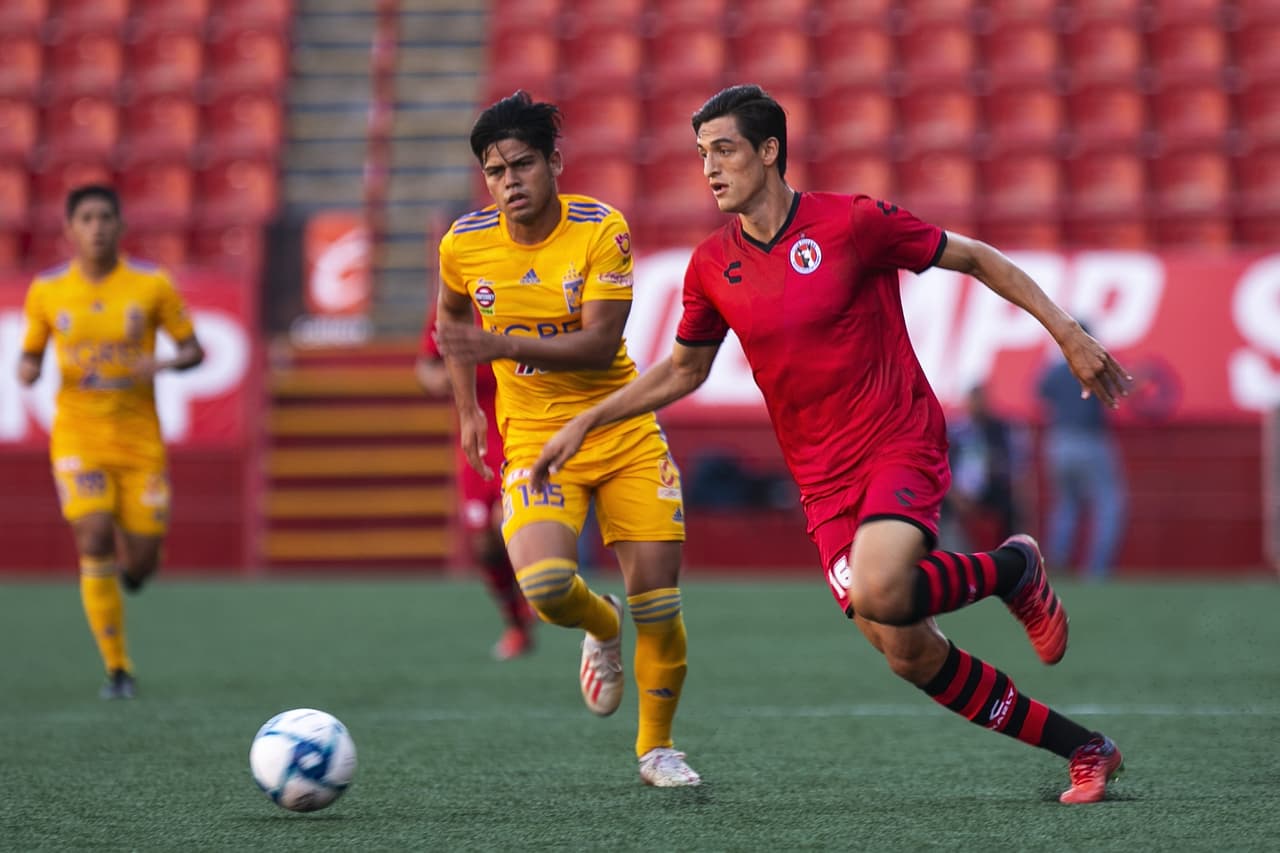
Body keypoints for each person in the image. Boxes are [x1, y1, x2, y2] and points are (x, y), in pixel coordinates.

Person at [531, 85, 1133, 804]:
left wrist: (1068, 332)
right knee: (906, 650)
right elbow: (685, 369)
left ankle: (1012, 569)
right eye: (700, 155)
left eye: (724, 149)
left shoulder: (853, 222)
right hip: (822, 481)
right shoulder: (709, 266)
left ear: (769, 150)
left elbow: (974, 257)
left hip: (897, 439)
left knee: (883, 587)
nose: (710, 168)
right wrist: (588, 419)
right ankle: (1085, 748)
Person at [432, 91, 699, 787]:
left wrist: (497, 341)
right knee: (549, 586)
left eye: (523, 164)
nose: (510, 181)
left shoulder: (600, 228)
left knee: (660, 604)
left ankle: (657, 749)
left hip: (622, 427)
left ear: (555, 162)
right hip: (535, 440)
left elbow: (598, 342)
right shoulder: (464, 244)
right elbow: (450, 323)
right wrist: (468, 410)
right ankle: (600, 624)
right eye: (495, 171)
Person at [18, 185, 205, 699]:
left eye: (105, 217)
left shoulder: (151, 286)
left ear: (121, 227)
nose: (97, 226)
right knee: (94, 534)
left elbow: (194, 351)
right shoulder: (47, 290)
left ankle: (133, 575)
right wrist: (27, 369)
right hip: (79, 435)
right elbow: (31, 353)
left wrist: (162, 362)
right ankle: (118, 669)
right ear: (69, 230)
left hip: (140, 442)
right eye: (87, 218)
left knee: (142, 562)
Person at [416, 312, 535, 660]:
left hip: (522, 431)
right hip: (477, 440)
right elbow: (425, 369)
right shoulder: (451, 311)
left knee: (507, 521)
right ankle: (516, 622)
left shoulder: (513, 299)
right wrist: (447, 378)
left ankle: (542, 593)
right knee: (483, 541)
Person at [1037, 341, 1128, 580]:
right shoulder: (1095, 364)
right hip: (1090, 439)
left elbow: (1040, 391)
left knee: (1067, 504)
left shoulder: (1056, 368)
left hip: (1058, 442)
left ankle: (1056, 564)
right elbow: (1119, 388)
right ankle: (1097, 571)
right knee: (1108, 504)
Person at [944, 384, 1026, 550]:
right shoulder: (955, 430)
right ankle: (955, 551)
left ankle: (1010, 553)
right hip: (956, 489)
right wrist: (955, 494)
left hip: (990, 486)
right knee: (939, 507)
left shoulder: (1000, 429)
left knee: (1010, 506)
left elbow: (1014, 463)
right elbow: (942, 466)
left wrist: (996, 468)